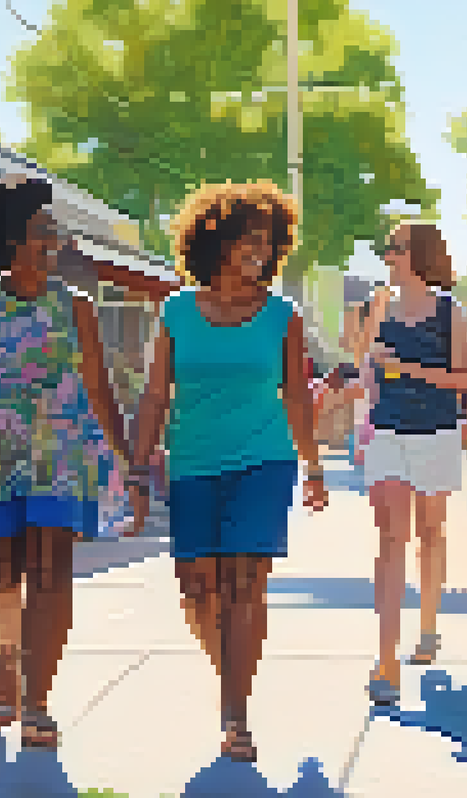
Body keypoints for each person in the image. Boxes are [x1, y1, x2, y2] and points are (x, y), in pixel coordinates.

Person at [0, 175, 131, 749]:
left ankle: (37, 701)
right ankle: (7, 655)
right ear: (12, 237)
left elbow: (98, 387)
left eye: (54, 230)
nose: (53, 240)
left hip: (59, 457)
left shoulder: (76, 307)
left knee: (50, 575)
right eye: (42, 230)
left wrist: (126, 461)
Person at [128, 180, 329, 762]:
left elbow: (295, 396)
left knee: (245, 582)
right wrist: (139, 471)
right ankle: (232, 675)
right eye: (247, 242)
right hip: (191, 462)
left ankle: (235, 715)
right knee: (196, 589)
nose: (259, 254)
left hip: (263, 461)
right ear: (214, 242)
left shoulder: (281, 316)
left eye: (267, 244)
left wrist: (312, 465)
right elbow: (154, 395)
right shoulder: (176, 312)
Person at [362, 222, 467, 705]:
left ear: (420, 254)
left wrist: (406, 368)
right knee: (391, 540)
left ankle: (427, 627)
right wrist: (372, 371)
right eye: (387, 246)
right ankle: (386, 658)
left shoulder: (449, 310)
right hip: (388, 432)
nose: (389, 254)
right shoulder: (376, 304)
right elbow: (365, 365)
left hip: (436, 434)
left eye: (398, 247)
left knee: (430, 533)